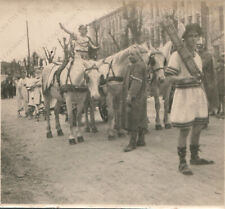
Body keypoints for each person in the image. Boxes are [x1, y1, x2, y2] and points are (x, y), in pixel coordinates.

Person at [166, 23, 214, 175]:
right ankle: (182, 163)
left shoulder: (197, 56)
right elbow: (169, 77)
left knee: (199, 126)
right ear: (184, 38)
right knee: (185, 129)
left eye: (196, 36)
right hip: (184, 94)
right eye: (190, 36)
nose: (194, 39)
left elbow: (200, 78)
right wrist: (183, 79)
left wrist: (205, 96)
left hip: (197, 94)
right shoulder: (177, 55)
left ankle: (194, 157)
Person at [123, 47, 148, 152]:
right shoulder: (140, 65)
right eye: (129, 54)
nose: (130, 56)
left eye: (132, 54)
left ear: (138, 55)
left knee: (133, 118)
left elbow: (136, 82)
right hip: (142, 96)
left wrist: (130, 95)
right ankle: (141, 140)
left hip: (136, 96)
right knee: (141, 117)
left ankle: (132, 143)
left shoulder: (138, 66)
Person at [197, 40, 219, 116]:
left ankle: (212, 109)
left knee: (210, 93)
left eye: (200, 46)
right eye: (198, 46)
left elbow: (202, 65)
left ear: (203, 47)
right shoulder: (197, 54)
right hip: (202, 77)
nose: (199, 48)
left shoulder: (207, 55)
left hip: (208, 77)